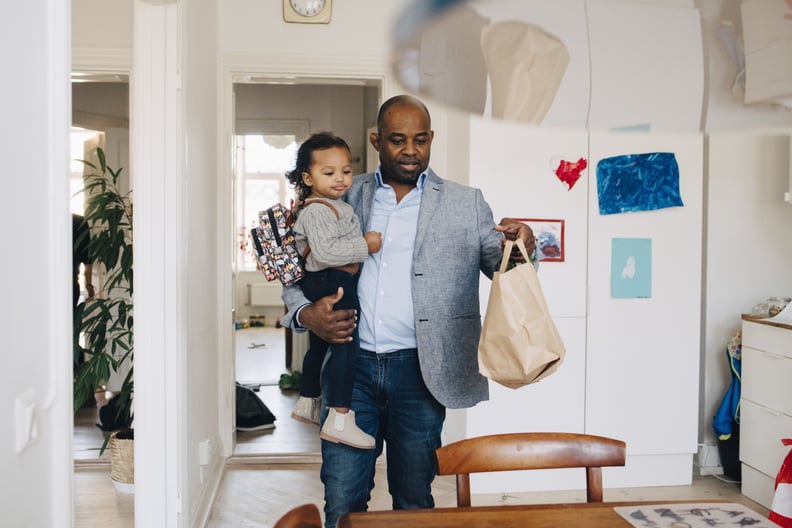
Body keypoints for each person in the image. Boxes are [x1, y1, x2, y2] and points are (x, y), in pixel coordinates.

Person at [282, 95, 535, 528]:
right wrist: (306, 314)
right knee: (342, 500)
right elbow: (294, 266)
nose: (410, 150)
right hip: (350, 370)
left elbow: (503, 267)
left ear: (431, 139)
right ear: (377, 140)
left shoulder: (465, 202)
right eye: (398, 140)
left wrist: (524, 244)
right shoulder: (343, 191)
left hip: (422, 373)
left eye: (420, 140)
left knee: (414, 502)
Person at [286, 132, 383, 450]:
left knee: (319, 346)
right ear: (308, 177)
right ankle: (340, 418)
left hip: (326, 283)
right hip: (333, 282)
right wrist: (365, 246)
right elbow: (326, 254)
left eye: (345, 170)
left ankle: (308, 403)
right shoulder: (317, 210)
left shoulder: (331, 205)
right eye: (329, 173)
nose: (340, 179)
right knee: (345, 346)